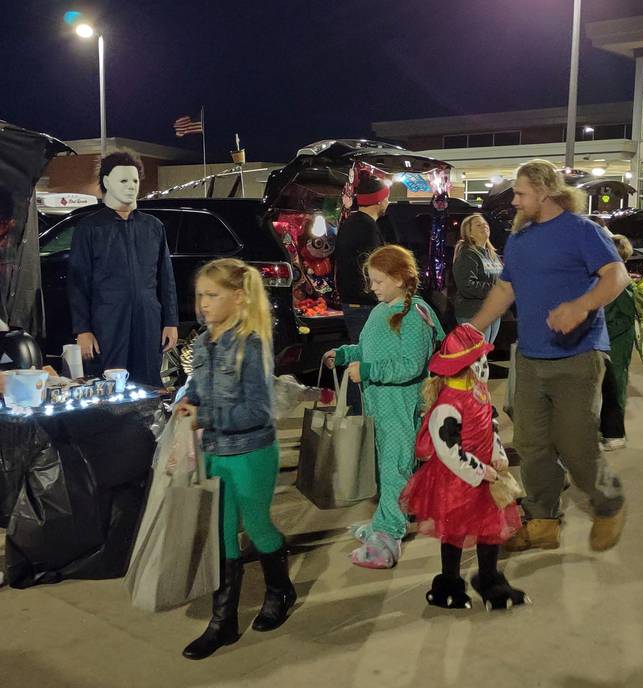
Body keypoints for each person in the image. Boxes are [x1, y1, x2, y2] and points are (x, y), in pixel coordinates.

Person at [470, 159, 629, 554]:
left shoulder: (582, 231)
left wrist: (581, 305)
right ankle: (541, 521)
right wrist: (471, 331)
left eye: (521, 193)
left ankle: (608, 504)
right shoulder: (521, 239)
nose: (515, 201)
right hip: (531, 356)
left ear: (543, 191)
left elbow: (616, 275)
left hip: (578, 355)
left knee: (575, 444)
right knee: (531, 443)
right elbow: (506, 289)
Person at [177, 258, 295, 660]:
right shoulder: (203, 343)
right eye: (200, 296)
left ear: (239, 298)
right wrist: (188, 402)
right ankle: (222, 621)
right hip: (215, 453)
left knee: (258, 528)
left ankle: (280, 589)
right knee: (222, 535)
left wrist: (203, 416)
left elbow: (258, 412)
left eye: (212, 295)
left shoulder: (252, 345)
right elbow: (197, 387)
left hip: (252, 453)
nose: (203, 304)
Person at [324, 245, 444, 569]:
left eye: (378, 281)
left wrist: (369, 371)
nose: (372, 287)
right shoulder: (380, 311)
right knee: (384, 467)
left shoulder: (415, 315)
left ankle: (388, 539)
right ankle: (382, 522)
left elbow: (411, 365)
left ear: (400, 278)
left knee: (396, 469)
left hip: (402, 405)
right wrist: (347, 354)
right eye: (371, 280)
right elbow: (367, 348)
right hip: (378, 404)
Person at [401, 324, 529, 611]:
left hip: (486, 477)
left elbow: (491, 426)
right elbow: (448, 451)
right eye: (479, 361)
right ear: (464, 366)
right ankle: (448, 582)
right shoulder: (447, 406)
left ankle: (489, 580)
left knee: (489, 529)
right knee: (454, 532)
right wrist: (479, 470)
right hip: (456, 483)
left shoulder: (479, 394)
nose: (484, 366)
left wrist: (497, 454)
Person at [68, 151, 178, 387]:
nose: (131, 187)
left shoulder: (153, 227)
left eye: (135, 181)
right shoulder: (90, 228)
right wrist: (83, 329)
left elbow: (165, 277)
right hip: (107, 320)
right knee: (110, 385)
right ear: (107, 182)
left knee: (148, 383)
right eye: (123, 181)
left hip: (148, 319)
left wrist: (171, 321)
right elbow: (78, 282)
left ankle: (151, 424)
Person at [333, 172, 390, 412]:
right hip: (364, 305)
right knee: (365, 358)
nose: (388, 202)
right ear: (378, 200)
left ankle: (356, 409)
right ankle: (360, 413)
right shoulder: (367, 228)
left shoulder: (351, 223)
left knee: (360, 354)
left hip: (353, 303)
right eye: (386, 198)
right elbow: (372, 269)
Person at [600, 235, 637, 451]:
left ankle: (615, 434)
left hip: (617, 343)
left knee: (615, 387)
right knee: (606, 387)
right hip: (607, 342)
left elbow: (625, 317)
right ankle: (605, 430)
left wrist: (601, 332)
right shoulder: (608, 275)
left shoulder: (622, 281)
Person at [453, 214, 504, 343]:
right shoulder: (467, 255)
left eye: (485, 224)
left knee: (483, 355)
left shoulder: (492, 255)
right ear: (469, 233)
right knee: (475, 357)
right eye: (478, 225)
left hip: (492, 312)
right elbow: (467, 285)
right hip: (473, 313)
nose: (484, 226)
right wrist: (495, 290)